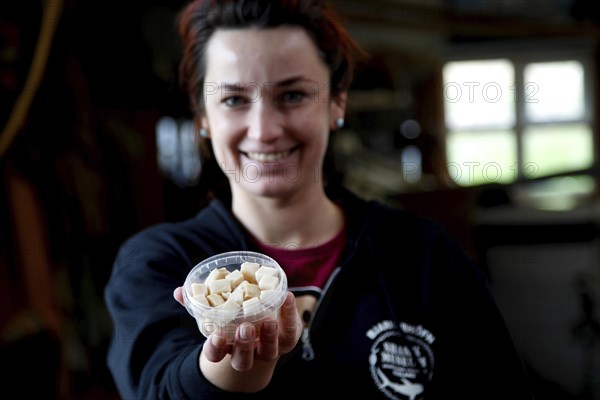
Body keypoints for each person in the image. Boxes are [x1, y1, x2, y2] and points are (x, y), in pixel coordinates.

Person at [104, 0, 534, 398]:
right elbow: (154, 387)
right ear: (203, 118)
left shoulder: (423, 255)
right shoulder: (158, 264)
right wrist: (225, 373)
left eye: (292, 95)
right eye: (234, 99)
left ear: (337, 103)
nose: (265, 129)